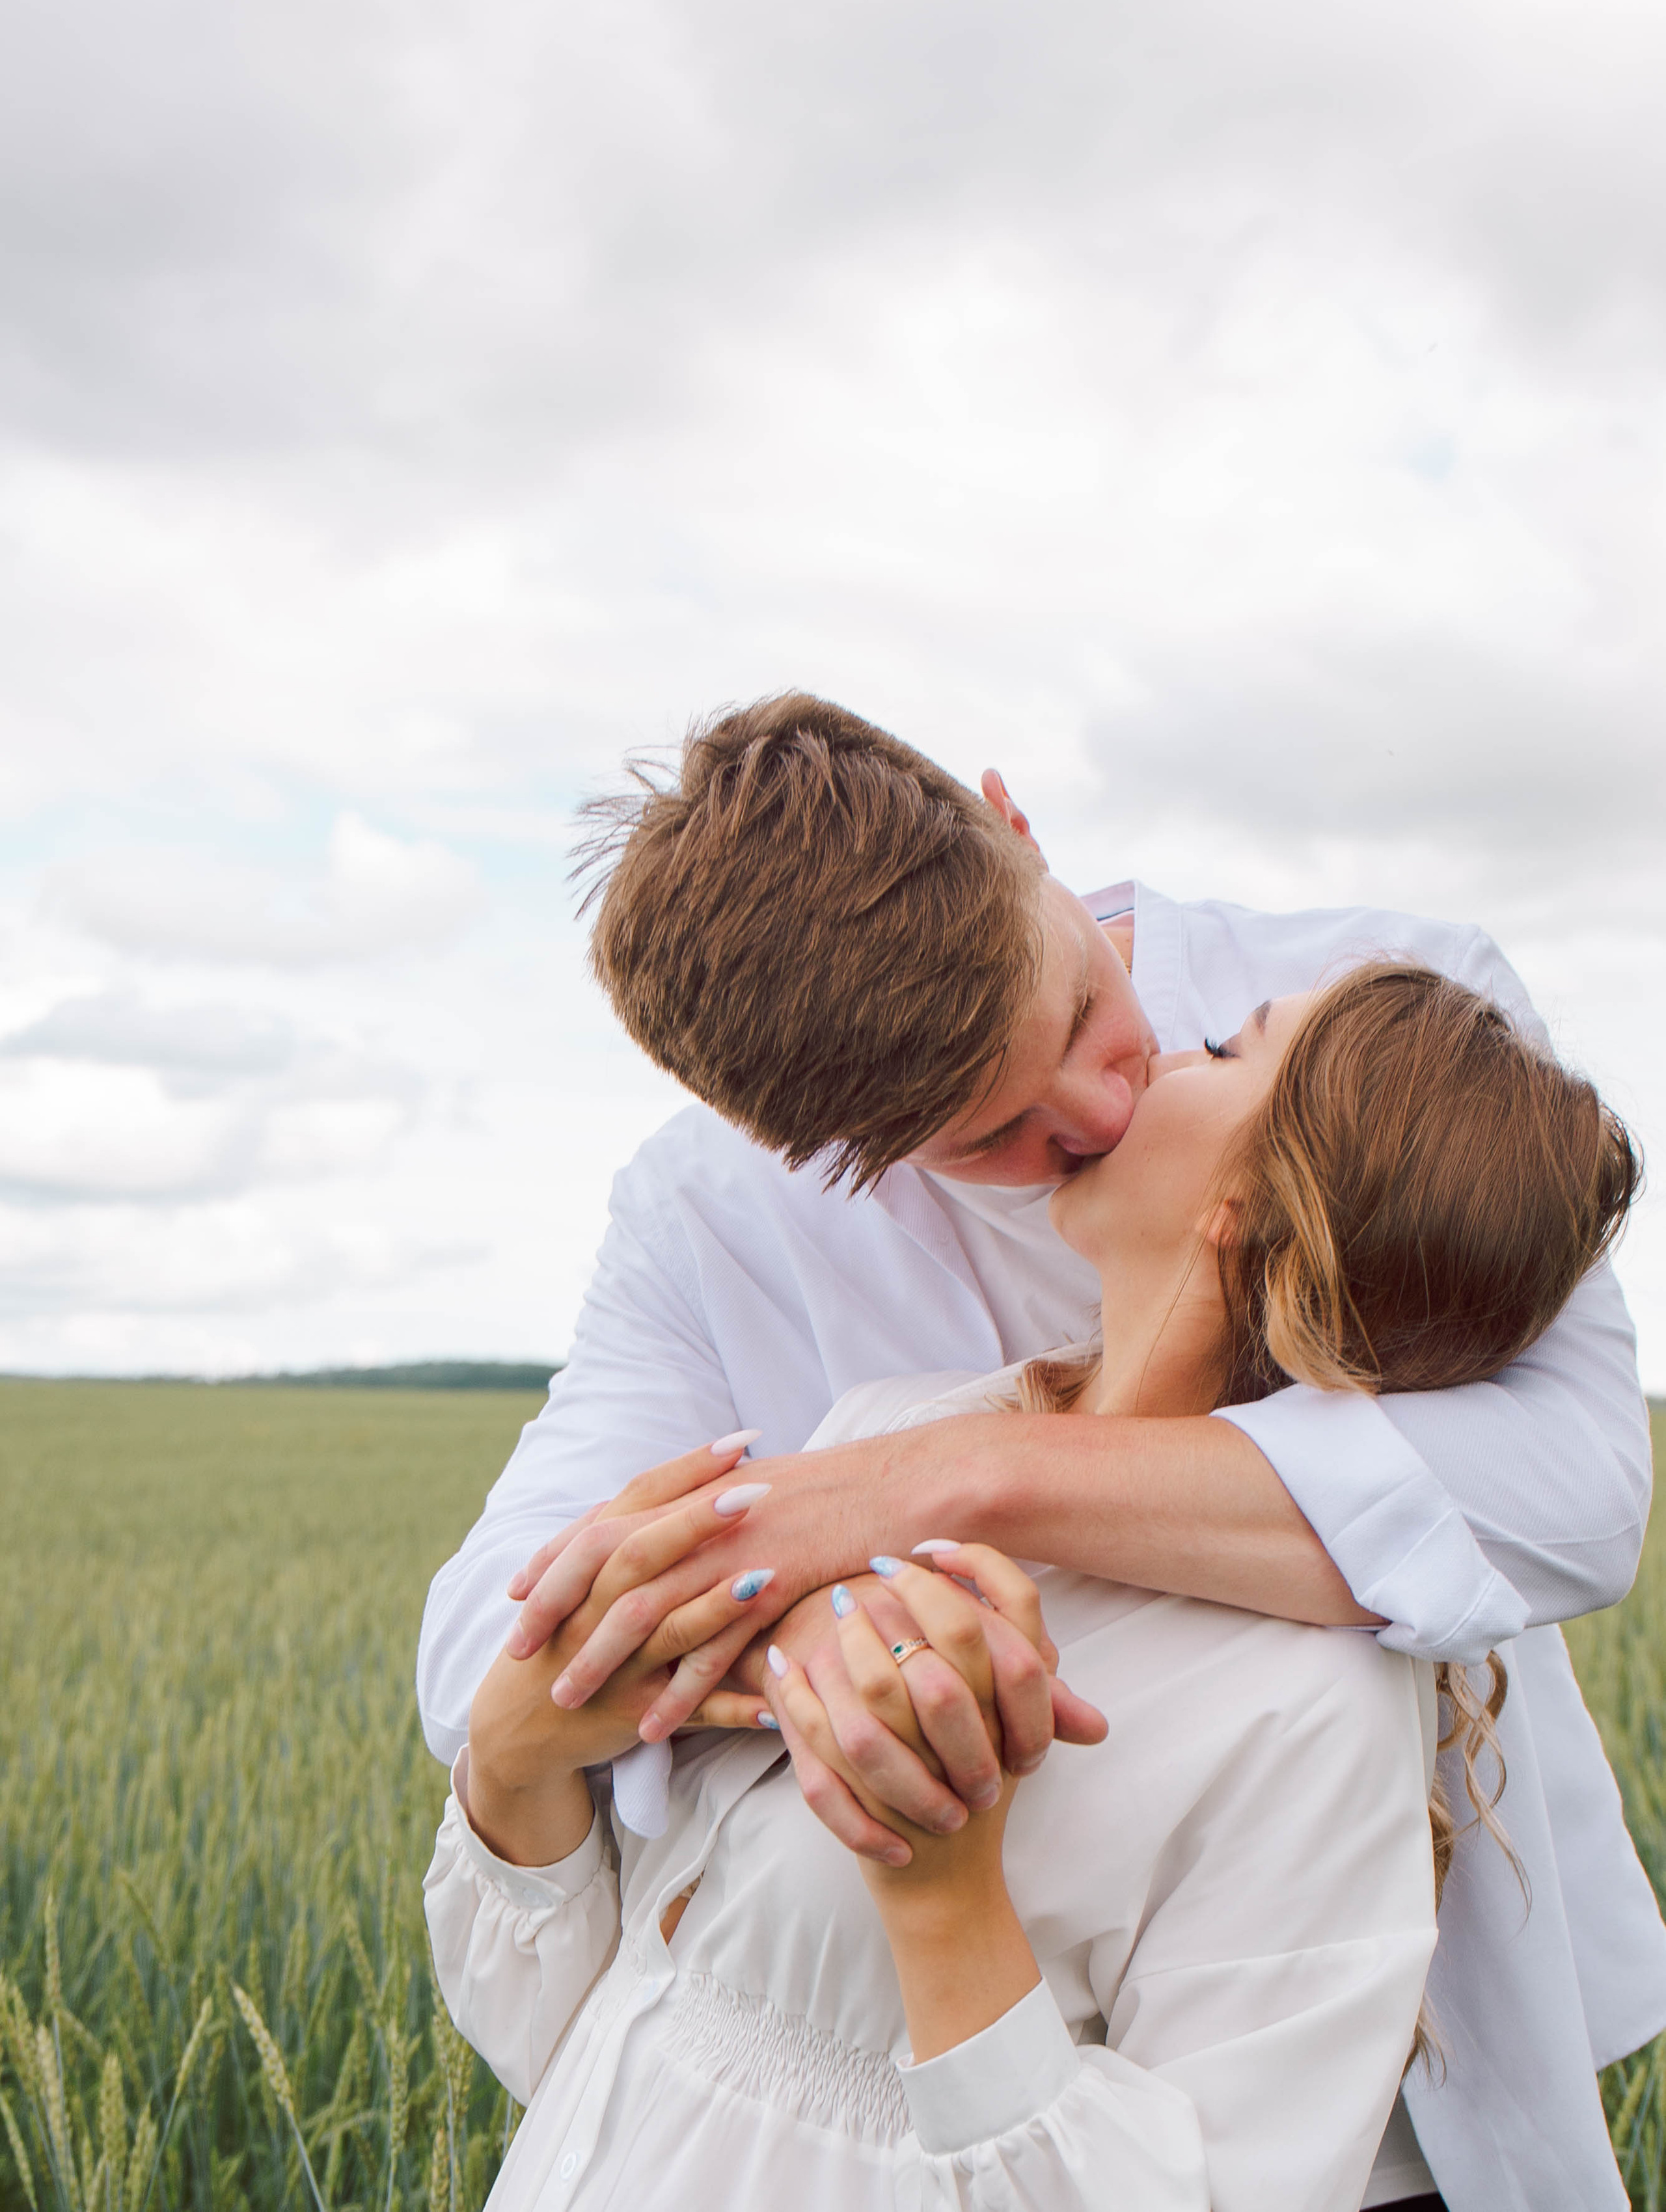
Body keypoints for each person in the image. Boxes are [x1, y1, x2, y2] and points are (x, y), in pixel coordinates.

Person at [418, 694, 1666, 2210]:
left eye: (1086, 1013)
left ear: (1019, 830)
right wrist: (829, 1632)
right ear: (810, 1150)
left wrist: (947, 1487)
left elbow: (1575, 1495)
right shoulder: (713, 1224)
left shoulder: (1367, 1018)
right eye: (978, 1133)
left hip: (1385, 2060)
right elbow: (502, 1634)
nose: (1098, 1105)